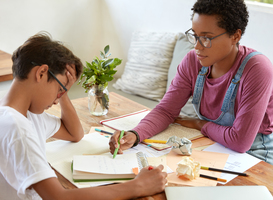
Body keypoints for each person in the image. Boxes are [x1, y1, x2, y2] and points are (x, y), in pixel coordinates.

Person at [0, 33, 167, 200]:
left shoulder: (24, 114)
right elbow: (59, 197)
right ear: (42, 73)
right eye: (60, 90)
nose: (57, 101)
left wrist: (62, 91)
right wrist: (138, 186)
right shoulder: (16, 127)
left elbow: (75, 134)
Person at [109, 0, 273, 165]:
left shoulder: (257, 69)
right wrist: (135, 134)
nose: (197, 46)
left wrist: (199, 123)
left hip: (256, 154)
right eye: (195, 35)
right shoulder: (193, 61)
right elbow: (166, 110)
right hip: (214, 144)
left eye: (207, 38)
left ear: (235, 36)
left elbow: (240, 141)